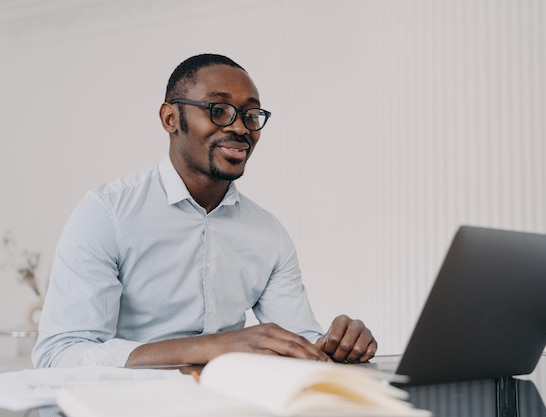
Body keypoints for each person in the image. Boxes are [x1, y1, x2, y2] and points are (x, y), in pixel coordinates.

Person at [32, 53, 376, 368]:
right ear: (170, 118)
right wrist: (203, 347)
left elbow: (297, 341)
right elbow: (58, 353)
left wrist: (334, 344)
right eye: (218, 110)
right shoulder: (107, 214)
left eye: (251, 115)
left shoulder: (268, 233)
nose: (240, 128)